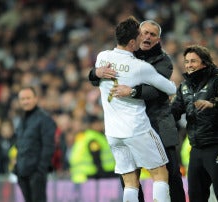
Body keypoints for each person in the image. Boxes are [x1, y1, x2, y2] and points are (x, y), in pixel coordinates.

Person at [89, 19, 185, 202]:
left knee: (168, 175)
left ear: (158, 39)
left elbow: (155, 91)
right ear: (135, 38)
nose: (147, 37)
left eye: (152, 34)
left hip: (154, 123)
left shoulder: (162, 61)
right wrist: (96, 73)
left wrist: (132, 91)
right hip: (138, 127)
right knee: (156, 174)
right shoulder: (139, 65)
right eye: (144, 33)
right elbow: (170, 88)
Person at [171, 45, 218, 202]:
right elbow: (174, 111)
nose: (189, 65)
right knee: (196, 196)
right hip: (196, 148)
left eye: (193, 61)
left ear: (204, 63)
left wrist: (213, 103)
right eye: (187, 61)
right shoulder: (184, 87)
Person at [14, 86, 56, 202]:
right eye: (22, 99)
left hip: (36, 173)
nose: (25, 101)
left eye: (28, 98)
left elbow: (49, 146)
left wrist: (40, 170)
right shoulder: (21, 121)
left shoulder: (44, 119)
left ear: (36, 99)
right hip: (22, 172)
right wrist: (17, 168)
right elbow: (19, 145)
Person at [69, 115, 116, 184]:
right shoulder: (94, 138)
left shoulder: (84, 136)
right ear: (93, 124)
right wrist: (101, 173)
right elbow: (96, 156)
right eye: (98, 123)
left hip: (79, 176)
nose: (101, 125)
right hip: (94, 175)